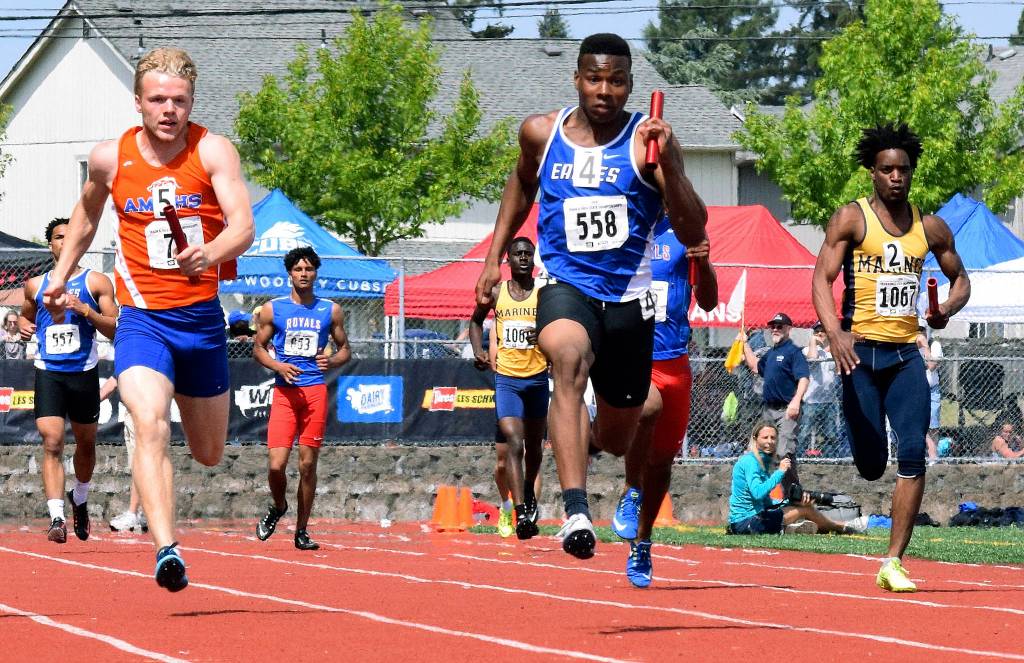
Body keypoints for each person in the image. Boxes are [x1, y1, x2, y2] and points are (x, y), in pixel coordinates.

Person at [473, 33, 707, 559]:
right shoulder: (541, 132)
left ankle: (594, 439)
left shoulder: (648, 144)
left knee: (622, 435)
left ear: (630, 85)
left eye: (617, 80)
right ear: (577, 78)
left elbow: (694, 228)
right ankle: (576, 510)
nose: (605, 90)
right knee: (566, 357)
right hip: (565, 285)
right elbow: (521, 184)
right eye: (595, 78)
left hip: (629, 298)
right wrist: (493, 257)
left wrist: (669, 165)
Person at [43, 47, 255, 590]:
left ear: (192, 103)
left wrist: (208, 253)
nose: (168, 110)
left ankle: (167, 529)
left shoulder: (213, 151)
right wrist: (63, 273)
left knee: (208, 454)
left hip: (201, 321)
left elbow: (243, 227)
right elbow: (87, 214)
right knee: (149, 423)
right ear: (138, 101)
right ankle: (166, 548)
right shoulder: (110, 158)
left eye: (179, 101)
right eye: (157, 99)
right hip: (143, 321)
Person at [811, 123, 970, 593]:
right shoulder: (852, 220)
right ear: (873, 174)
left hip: (905, 356)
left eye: (903, 169)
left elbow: (961, 281)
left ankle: (893, 560)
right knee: (870, 463)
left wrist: (944, 310)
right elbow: (821, 279)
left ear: (912, 172)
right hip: (857, 356)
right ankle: (869, 456)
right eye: (887, 169)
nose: (896, 177)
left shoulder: (931, 227)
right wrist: (834, 333)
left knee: (913, 452)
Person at [616, 217, 718, 587]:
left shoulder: (683, 234)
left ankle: (642, 542)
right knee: (647, 409)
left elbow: (708, 302)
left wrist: (703, 262)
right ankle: (630, 489)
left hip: (675, 360)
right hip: (634, 354)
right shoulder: (624, 228)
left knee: (661, 463)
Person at [20, 218, 118, 543]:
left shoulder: (97, 282)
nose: (65, 242)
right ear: (50, 245)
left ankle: (81, 496)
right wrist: (22, 324)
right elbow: (26, 314)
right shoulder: (35, 284)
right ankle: (57, 517)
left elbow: (116, 327)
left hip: (84, 373)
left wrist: (85, 311)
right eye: (58, 237)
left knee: (86, 443)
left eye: (70, 236)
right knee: (52, 442)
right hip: (49, 372)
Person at [252, 247, 350, 551]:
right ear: (289, 273)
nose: (304, 274)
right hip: (284, 392)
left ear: (316, 272)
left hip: (314, 392)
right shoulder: (273, 309)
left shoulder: (330, 310)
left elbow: (345, 349)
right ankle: (278, 506)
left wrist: (332, 361)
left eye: (309, 269)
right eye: (298, 269)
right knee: (276, 466)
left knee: (308, 466)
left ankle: (302, 530)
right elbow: (257, 347)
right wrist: (278, 365)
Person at [470, 237, 549, 540]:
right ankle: (519, 513)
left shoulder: (543, 294)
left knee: (535, 450)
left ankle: (528, 495)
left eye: (528, 254)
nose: (524, 258)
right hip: (508, 380)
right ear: (508, 260)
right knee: (514, 443)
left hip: (539, 379)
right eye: (518, 254)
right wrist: (479, 350)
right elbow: (476, 322)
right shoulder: (496, 292)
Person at [727, 421, 868, 536]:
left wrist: (790, 502)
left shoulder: (761, 462)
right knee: (804, 511)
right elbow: (757, 493)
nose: (769, 442)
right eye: (765, 437)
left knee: (803, 507)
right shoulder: (751, 462)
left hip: (755, 518)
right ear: (755, 439)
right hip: (745, 522)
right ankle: (844, 527)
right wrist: (780, 472)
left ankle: (792, 528)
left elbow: (766, 501)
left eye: (773, 437)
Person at [738, 311, 809, 491]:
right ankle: (759, 494)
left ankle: (794, 493)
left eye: (780, 326)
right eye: (773, 327)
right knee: (757, 450)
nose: (775, 329)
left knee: (783, 452)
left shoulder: (793, 352)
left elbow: (804, 378)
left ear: (788, 329)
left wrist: (796, 401)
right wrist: (744, 343)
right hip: (768, 410)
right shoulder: (771, 353)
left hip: (786, 409)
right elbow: (755, 366)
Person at [102, 377, 147, 533]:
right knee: (139, 465)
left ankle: (134, 513)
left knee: (140, 465)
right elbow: (117, 377)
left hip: (142, 411)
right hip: (132, 410)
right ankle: (141, 512)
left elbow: (117, 378)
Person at [800, 321, 845, 457]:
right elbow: (813, 358)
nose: (820, 333)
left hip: (829, 401)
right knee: (805, 433)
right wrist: (813, 340)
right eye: (816, 331)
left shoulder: (831, 353)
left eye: (822, 331)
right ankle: (800, 458)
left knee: (830, 434)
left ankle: (831, 459)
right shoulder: (807, 349)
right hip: (811, 401)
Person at [915, 326, 942, 460]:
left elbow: (931, 366)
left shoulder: (934, 344)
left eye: (922, 330)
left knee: (932, 425)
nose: (920, 333)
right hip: (914, 389)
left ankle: (933, 455)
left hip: (931, 390)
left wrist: (925, 347)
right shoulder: (909, 344)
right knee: (916, 423)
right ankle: (922, 454)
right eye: (917, 330)